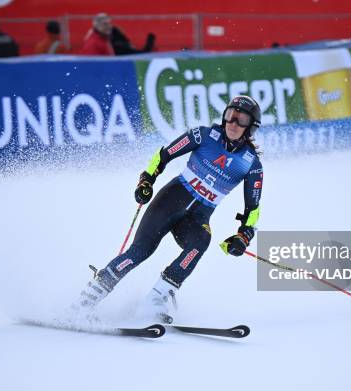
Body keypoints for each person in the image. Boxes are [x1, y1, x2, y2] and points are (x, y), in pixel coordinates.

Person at [77, 96, 264, 323]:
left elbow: (253, 209)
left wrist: (243, 235)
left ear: (251, 127)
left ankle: (154, 301)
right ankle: (83, 303)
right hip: (170, 201)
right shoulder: (203, 136)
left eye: (241, 119)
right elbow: (162, 156)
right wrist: (146, 181)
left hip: (196, 218)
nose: (233, 123)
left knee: (200, 243)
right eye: (229, 116)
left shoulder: (251, 164)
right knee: (139, 252)